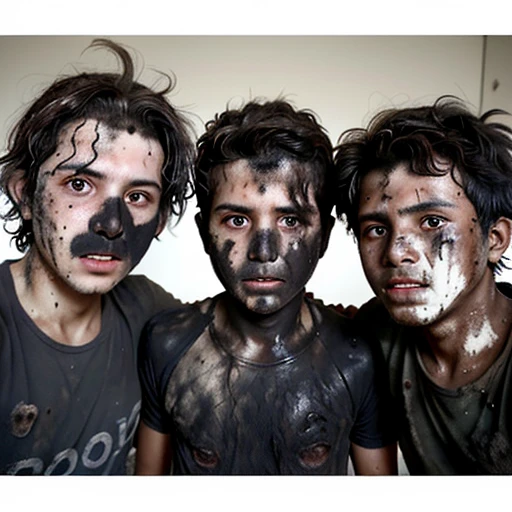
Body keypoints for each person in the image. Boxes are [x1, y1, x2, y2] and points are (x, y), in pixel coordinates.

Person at [136, 99, 397, 475]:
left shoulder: (355, 358)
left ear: (322, 237)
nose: (263, 251)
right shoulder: (166, 344)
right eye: (237, 220)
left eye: (290, 220)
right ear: (204, 233)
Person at [0, 39, 195, 475]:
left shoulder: (150, 311)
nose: (112, 224)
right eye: (80, 185)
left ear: (160, 219)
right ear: (24, 193)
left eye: (138, 196)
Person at [334, 95, 512, 474]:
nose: (397, 253)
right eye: (376, 229)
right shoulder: (376, 333)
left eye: (431, 221)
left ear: (494, 238)